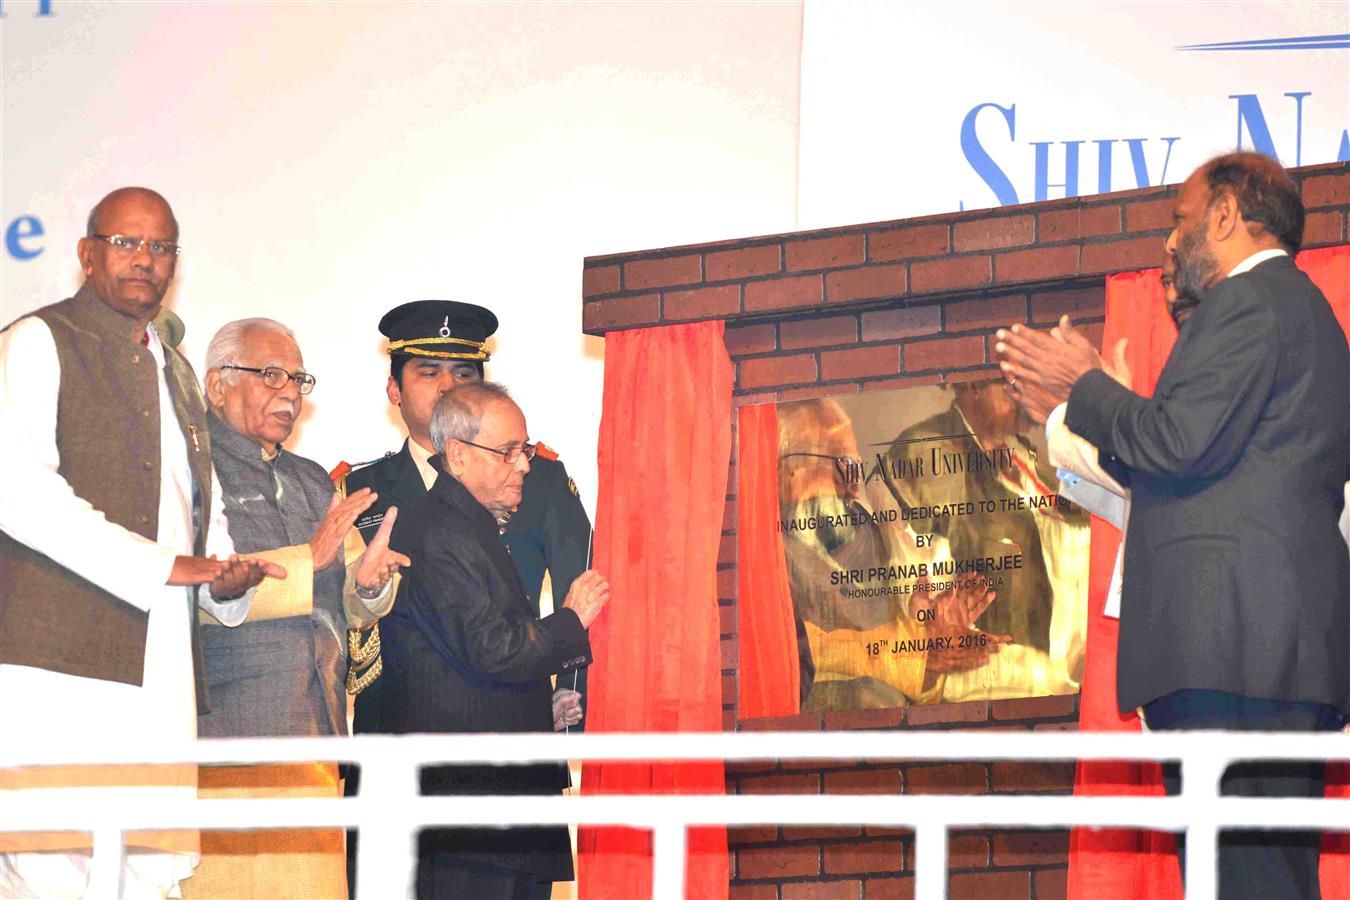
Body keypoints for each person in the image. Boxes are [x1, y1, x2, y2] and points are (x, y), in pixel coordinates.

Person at [995, 151, 1350, 898]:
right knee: (1259, 878)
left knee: (1243, 881)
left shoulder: (1249, 302)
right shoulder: (1298, 310)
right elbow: (1189, 466)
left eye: (1179, 220)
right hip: (1266, 656)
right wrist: (1089, 411)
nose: (1167, 242)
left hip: (1235, 651)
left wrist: (1085, 387)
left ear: (1225, 215)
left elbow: (1176, 444)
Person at [0, 187, 282, 898]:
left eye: (160, 248)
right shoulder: (38, 339)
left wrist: (220, 575)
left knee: (143, 867)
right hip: (52, 658)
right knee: (50, 867)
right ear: (87, 254)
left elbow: (195, 505)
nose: (144, 260)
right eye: (126, 243)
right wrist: (163, 566)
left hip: (158, 658)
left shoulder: (177, 367)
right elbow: (16, 490)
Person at [339, 301, 592, 895]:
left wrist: (569, 709)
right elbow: (336, 626)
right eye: (429, 373)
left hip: (511, 749)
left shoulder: (540, 480)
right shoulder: (361, 490)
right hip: (391, 751)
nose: (448, 386)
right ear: (394, 391)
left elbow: (583, 593)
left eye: (464, 374)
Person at [177, 318, 409, 899]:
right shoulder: (187, 470)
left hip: (317, 732)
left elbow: (351, 598)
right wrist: (311, 557)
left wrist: (371, 583)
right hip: (225, 736)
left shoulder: (311, 481)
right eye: (271, 375)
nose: (290, 393)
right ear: (216, 385)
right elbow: (194, 589)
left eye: (298, 379)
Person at [375, 381, 609, 898]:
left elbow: (465, 666)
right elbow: (492, 648)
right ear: (457, 456)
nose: (524, 465)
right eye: (507, 452)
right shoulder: (438, 532)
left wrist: (535, 707)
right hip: (472, 813)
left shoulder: (472, 526)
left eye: (523, 450)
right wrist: (571, 619)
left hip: (499, 806)